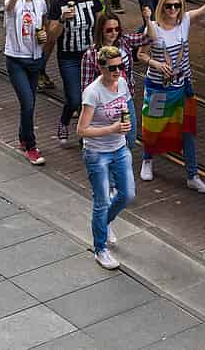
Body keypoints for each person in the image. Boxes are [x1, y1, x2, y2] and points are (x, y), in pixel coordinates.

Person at [138, 0, 205, 192]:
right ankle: (147, 159)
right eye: (168, 6)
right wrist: (156, 63)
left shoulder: (186, 22)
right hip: (157, 87)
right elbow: (141, 54)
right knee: (153, 125)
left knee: (188, 131)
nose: (173, 10)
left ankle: (192, 175)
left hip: (182, 87)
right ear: (161, 6)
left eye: (177, 5)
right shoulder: (152, 28)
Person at [78, 45, 136, 270]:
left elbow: (125, 109)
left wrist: (127, 127)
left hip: (119, 148)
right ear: (100, 67)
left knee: (127, 194)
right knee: (101, 201)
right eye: (112, 68)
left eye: (121, 66)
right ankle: (100, 248)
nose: (118, 71)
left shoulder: (121, 83)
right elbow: (82, 130)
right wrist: (111, 129)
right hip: (97, 152)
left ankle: (104, 223)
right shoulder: (93, 92)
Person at [82, 9, 156, 151]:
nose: (114, 33)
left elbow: (150, 38)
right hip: (105, 103)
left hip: (125, 98)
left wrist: (147, 19)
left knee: (130, 137)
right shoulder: (91, 54)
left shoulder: (124, 42)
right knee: (111, 137)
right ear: (101, 31)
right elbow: (86, 87)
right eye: (109, 30)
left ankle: (119, 162)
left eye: (117, 29)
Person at [48, 0, 103, 146]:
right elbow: (52, 35)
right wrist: (62, 20)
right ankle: (64, 121)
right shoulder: (58, 4)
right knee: (74, 97)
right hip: (68, 56)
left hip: (89, 55)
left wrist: (99, 45)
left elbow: (100, 23)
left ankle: (84, 133)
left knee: (90, 96)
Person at [4, 0, 48, 165]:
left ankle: (23, 136)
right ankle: (31, 147)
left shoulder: (39, 1)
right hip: (16, 59)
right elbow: (8, 7)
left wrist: (44, 35)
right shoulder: (15, 2)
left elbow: (42, 24)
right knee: (28, 102)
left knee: (29, 103)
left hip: (35, 58)